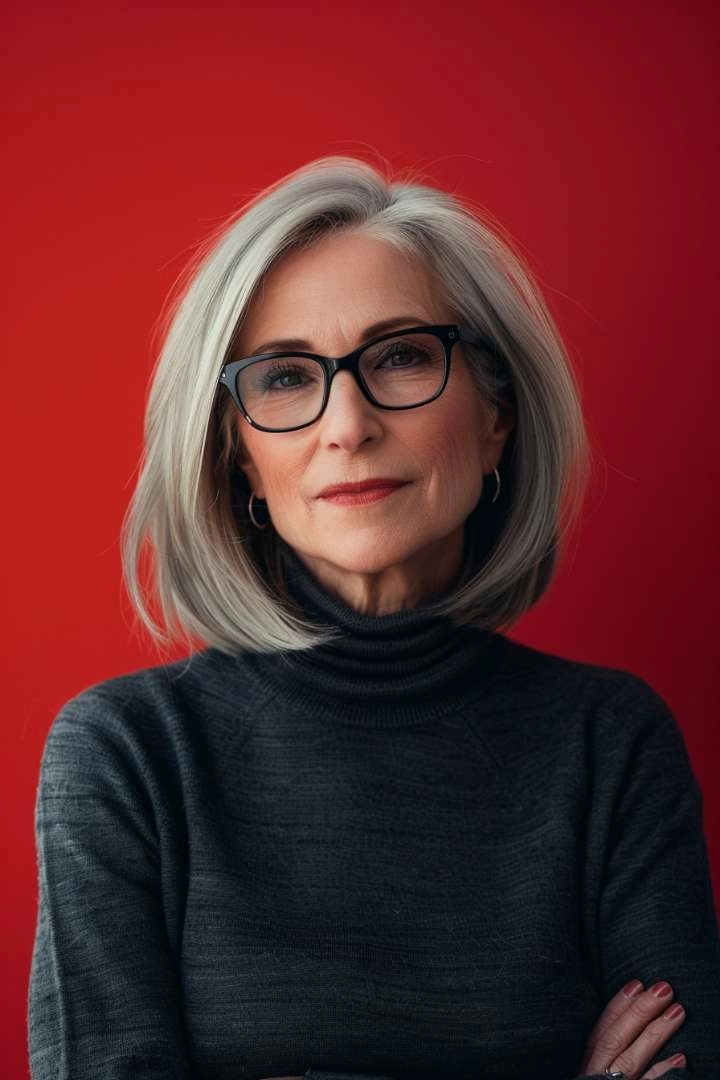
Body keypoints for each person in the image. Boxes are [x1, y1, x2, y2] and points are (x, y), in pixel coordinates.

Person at [27, 156, 720, 1080]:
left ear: (496, 414)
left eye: (400, 356)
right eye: (283, 377)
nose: (345, 423)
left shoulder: (610, 745)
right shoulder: (128, 755)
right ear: (236, 456)